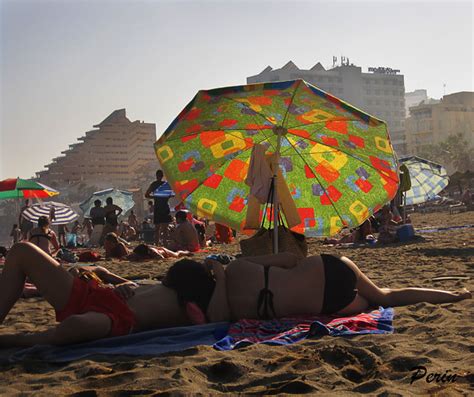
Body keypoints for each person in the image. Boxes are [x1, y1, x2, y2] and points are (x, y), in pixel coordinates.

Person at [165, 253, 471, 323]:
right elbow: (289, 257)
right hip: (326, 266)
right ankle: (457, 295)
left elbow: (217, 322)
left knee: (374, 301)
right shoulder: (239, 266)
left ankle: (454, 295)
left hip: (328, 302)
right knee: (385, 295)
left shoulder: (223, 309)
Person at [0, 242, 193, 347]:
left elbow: (220, 308)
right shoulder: (164, 286)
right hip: (96, 294)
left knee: (77, 326)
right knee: (21, 251)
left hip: (119, 317)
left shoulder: (198, 302)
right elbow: (134, 285)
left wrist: (217, 269)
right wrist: (123, 287)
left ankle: (14, 340)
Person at [145, 170, 172, 245]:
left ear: (156, 176)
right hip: (165, 207)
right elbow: (171, 195)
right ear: (162, 176)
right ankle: (165, 244)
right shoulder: (165, 184)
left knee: (157, 229)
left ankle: (156, 244)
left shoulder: (154, 184)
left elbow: (146, 195)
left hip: (157, 208)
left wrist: (154, 197)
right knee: (165, 229)